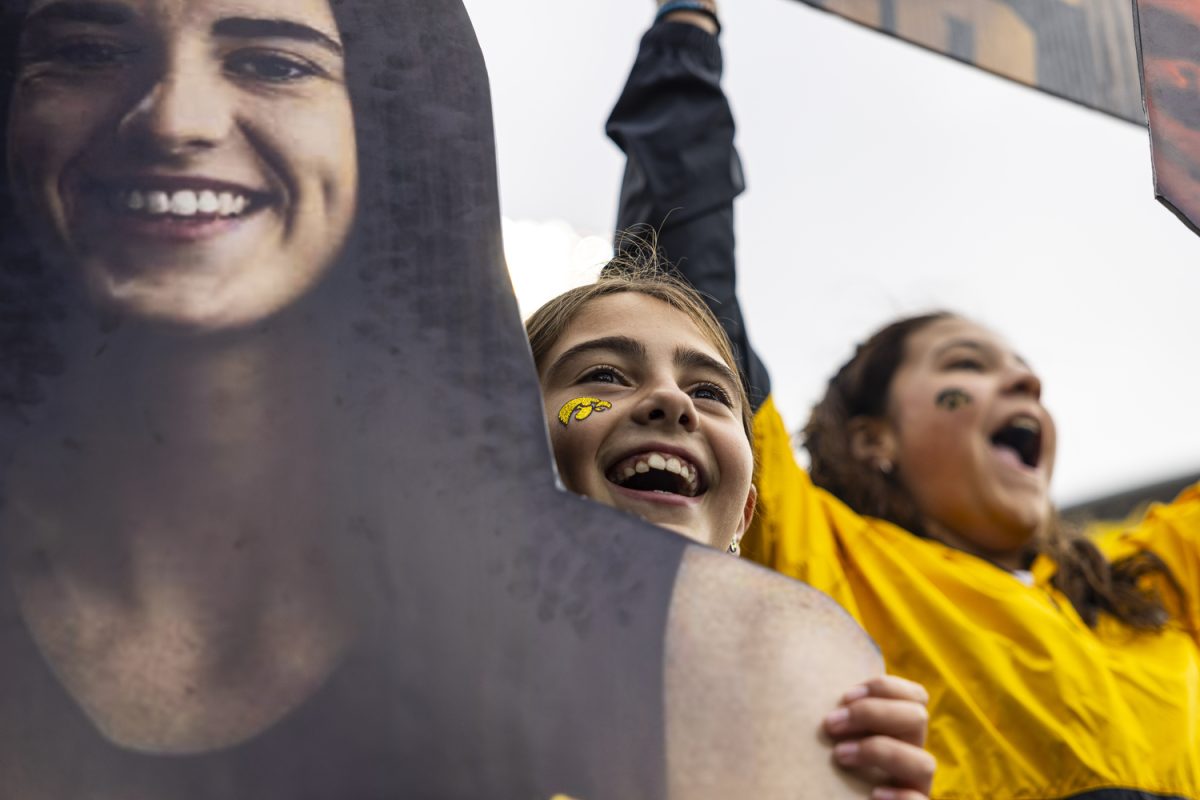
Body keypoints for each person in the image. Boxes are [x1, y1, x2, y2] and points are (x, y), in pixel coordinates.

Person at [606, 2, 1200, 799]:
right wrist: (687, 30)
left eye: (1023, 371)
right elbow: (686, 309)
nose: (1026, 384)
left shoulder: (1153, 583)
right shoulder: (825, 559)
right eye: (969, 366)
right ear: (874, 439)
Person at [526, 255, 936, 800]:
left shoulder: (816, 730)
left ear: (744, 512)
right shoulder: (409, 679)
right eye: (603, 375)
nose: (673, 401)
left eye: (710, 392)